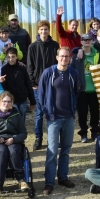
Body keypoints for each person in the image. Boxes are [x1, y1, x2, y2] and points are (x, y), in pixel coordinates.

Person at [36, 47, 78, 195]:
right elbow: (40, 95)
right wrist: (46, 111)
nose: (64, 59)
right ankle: (49, 182)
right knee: (52, 151)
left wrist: (73, 109)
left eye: (67, 57)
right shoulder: (48, 73)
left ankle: (63, 177)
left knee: (66, 149)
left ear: (70, 58)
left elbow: (76, 92)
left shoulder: (73, 73)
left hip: (69, 117)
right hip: (54, 118)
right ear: (57, 57)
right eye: (62, 56)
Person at [0, 92, 29, 195]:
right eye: (4, 101)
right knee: (2, 152)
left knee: (13, 151)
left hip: (13, 141)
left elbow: (23, 133)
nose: (6, 104)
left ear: (12, 103)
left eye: (8, 101)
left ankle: (21, 180)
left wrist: (14, 139)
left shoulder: (17, 115)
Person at [27, 19, 60, 151]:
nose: (43, 31)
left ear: (48, 30)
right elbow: (30, 66)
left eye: (46, 29)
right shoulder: (32, 47)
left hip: (53, 85)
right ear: (38, 30)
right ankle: (38, 139)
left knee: (53, 113)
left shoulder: (54, 45)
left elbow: (59, 64)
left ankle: (53, 138)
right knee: (39, 114)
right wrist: (33, 83)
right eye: (41, 29)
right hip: (38, 86)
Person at [74, 33, 100, 143]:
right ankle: (83, 133)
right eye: (84, 39)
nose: (87, 41)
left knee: (95, 113)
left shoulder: (97, 54)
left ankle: (95, 132)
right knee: (82, 114)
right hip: (81, 90)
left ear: (92, 41)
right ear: (81, 42)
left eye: (89, 39)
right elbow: (72, 71)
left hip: (95, 89)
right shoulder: (77, 55)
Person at [0, 47, 36, 123]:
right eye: (9, 57)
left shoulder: (22, 68)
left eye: (13, 57)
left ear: (16, 57)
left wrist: (32, 100)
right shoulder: (4, 69)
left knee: (22, 119)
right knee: (13, 118)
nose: (11, 59)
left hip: (22, 98)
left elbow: (28, 84)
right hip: (11, 100)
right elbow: (3, 86)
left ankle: (21, 133)